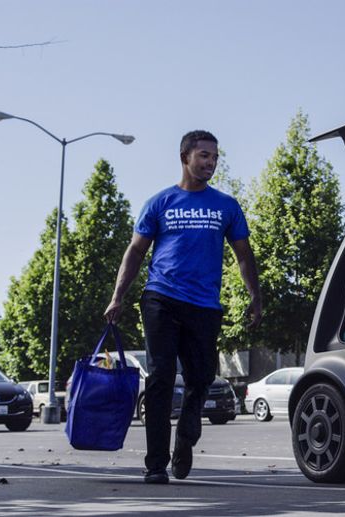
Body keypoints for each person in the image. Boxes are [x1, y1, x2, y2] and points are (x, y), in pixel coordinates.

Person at [104, 130, 262, 484]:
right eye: (204, 155)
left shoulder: (226, 206)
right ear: (185, 157)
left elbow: (243, 254)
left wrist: (255, 294)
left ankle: (186, 438)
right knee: (160, 376)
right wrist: (118, 296)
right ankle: (156, 464)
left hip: (204, 304)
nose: (211, 163)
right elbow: (135, 252)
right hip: (161, 297)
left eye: (215, 157)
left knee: (201, 377)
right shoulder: (160, 203)